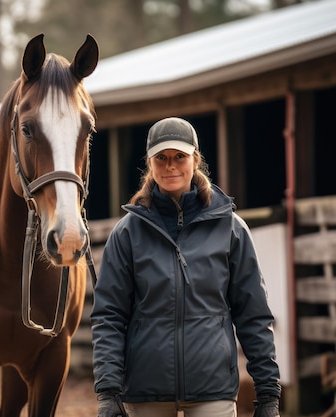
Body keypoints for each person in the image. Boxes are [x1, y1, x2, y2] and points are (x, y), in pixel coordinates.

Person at [91, 117, 281, 417]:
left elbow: (253, 313)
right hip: (146, 392)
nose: (171, 166)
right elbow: (109, 316)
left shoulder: (231, 229)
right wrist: (107, 391)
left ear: (195, 158)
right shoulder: (127, 233)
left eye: (180, 156)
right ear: (150, 164)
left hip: (213, 389)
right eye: (161, 158)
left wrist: (268, 391)